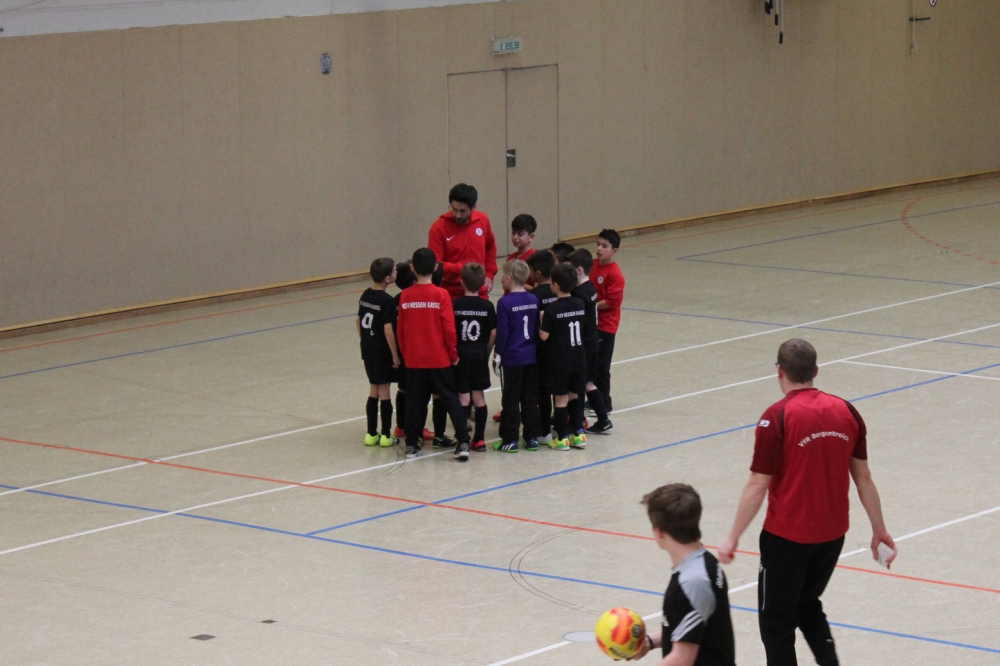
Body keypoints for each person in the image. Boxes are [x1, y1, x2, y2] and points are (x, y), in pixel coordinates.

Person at [718, 339, 897, 666]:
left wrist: (732, 537)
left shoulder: (776, 417)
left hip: (786, 538)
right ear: (815, 370)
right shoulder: (847, 411)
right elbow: (863, 476)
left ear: (779, 371)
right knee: (806, 603)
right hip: (832, 536)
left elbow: (758, 483)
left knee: (776, 623)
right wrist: (879, 530)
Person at [629, 484, 736, 666]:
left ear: (658, 531)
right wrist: (650, 642)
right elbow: (693, 631)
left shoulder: (693, 582)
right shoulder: (704, 563)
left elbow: (682, 659)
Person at [395, 248, 472, 461]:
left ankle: (412, 444)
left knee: (415, 402)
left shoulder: (405, 296)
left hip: (414, 360)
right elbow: (449, 329)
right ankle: (463, 441)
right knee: (451, 399)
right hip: (439, 358)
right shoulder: (441, 294)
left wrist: (406, 354)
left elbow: (401, 330)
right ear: (436, 267)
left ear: (412, 268)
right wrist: (453, 354)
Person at [538, 263, 588, 450]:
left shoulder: (552, 308)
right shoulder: (579, 303)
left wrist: (541, 320)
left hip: (560, 360)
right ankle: (579, 434)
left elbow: (544, 336)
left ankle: (561, 437)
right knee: (574, 395)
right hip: (578, 358)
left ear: (555, 285)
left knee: (560, 398)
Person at [493, 259, 541, 452]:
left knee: (510, 399)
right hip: (530, 356)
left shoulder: (504, 302)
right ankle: (531, 438)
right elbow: (535, 328)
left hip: (512, 358)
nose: (500, 279)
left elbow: (503, 332)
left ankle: (510, 439)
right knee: (530, 398)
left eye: (502, 276)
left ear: (509, 278)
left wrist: (497, 354)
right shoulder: (533, 299)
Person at [566, 249, 612, 436]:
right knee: (588, 383)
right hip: (593, 340)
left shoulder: (578, 293)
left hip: (584, 343)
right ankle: (603, 420)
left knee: (579, 384)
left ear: (578, 270)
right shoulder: (590, 287)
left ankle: (579, 422)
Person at [453, 263, 496, 452]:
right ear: (482, 284)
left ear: (462, 282)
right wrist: (486, 351)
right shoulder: (487, 306)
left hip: (461, 356)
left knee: (463, 397)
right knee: (479, 396)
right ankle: (479, 439)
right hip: (479, 355)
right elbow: (493, 333)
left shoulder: (455, 305)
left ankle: (463, 438)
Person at [389, 262, 435, 445]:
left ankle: (401, 426)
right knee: (417, 392)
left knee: (403, 388)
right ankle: (415, 427)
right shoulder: (413, 300)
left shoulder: (395, 300)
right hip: (413, 351)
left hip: (399, 349)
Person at [428, 183, 498, 300]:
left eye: (462, 211)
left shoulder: (483, 220)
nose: (457, 215)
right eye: (454, 209)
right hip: (451, 294)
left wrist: (489, 275)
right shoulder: (438, 228)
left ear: (473, 207)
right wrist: (462, 269)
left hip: (479, 292)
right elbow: (435, 263)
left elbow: (490, 246)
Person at [357, 258, 400, 447]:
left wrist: (365, 340)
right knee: (385, 391)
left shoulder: (365, 294)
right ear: (387, 278)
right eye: (395, 271)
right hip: (382, 351)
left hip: (367, 349)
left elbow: (358, 321)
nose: (396, 273)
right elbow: (388, 330)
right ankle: (386, 435)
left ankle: (371, 433)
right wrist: (395, 355)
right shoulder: (387, 301)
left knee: (373, 389)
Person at [591, 229, 625, 414]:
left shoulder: (615, 274)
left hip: (606, 325)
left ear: (614, 251)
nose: (599, 249)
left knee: (601, 366)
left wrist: (590, 306)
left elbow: (612, 302)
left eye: (604, 246)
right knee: (591, 364)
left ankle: (605, 403)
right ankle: (594, 399)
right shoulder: (592, 265)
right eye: (598, 244)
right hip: (592, 323)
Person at [526, 250, 558, 444]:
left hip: (541, 351)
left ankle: (544, 430)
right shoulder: (561, 293)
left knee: (542, 391)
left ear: (537, 273)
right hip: (561, 349)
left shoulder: (532, 297)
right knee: (561, 390)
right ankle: (566, 428)